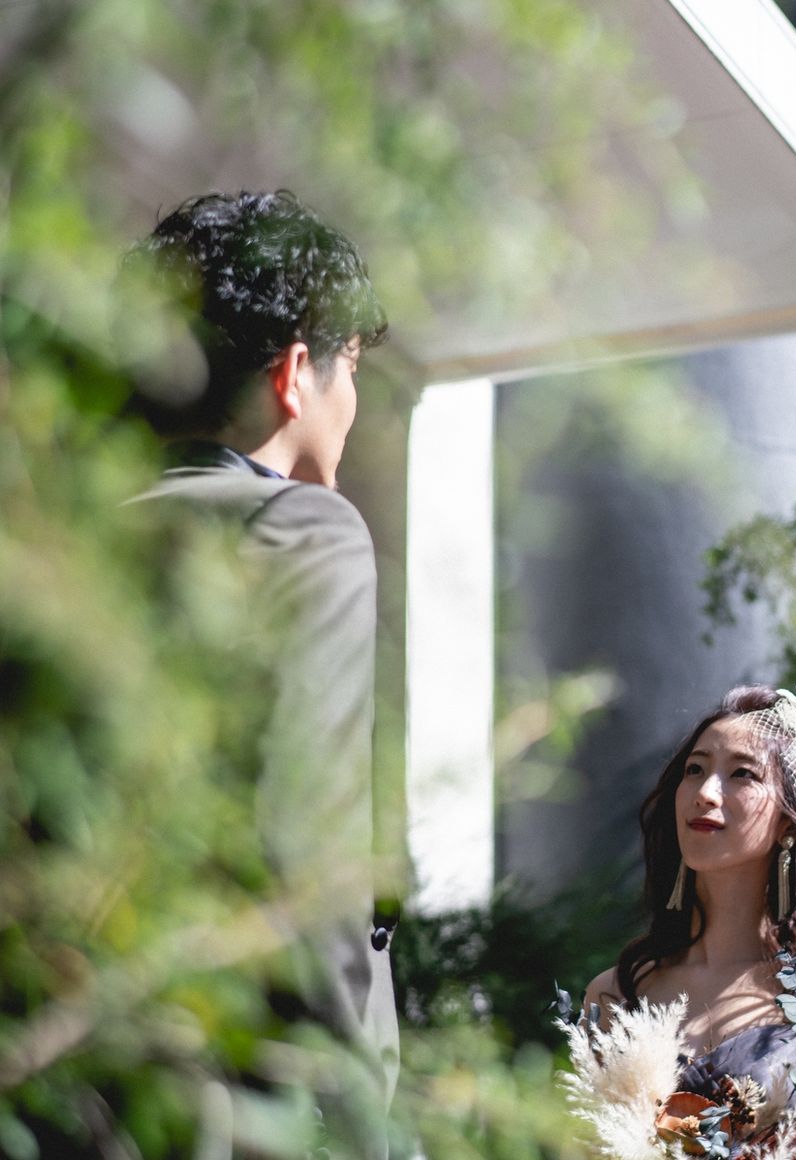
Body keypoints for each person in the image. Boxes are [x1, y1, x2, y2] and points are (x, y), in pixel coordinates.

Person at [122, 191, 398, 1157]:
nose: (352, 400)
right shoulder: (304, 529)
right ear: (293, 376)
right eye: (350, 367)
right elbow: (304, 834)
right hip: (236, 1098)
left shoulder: (63, 541)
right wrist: (358, 1116)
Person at [581, 684, 796, 1160]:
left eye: (742, 774)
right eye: (695, 770)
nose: (706, 793)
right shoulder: (616, 995)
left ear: (788, 820)